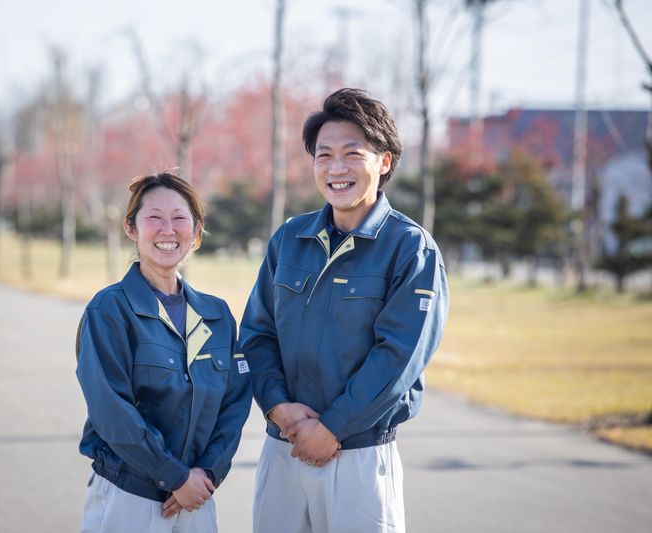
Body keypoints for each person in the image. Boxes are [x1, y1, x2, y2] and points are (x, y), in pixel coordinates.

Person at [239, 88, 449, 533]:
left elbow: (398, 358)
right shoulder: (289, 239)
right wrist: (277, 408)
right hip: (283, 447)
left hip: (358, 455)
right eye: (324, 155)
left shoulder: (411, 249)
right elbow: (257, 334)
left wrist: (332, 428)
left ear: (384, 161)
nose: (336, 168)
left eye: (353, 154)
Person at [75, 172, 252, 533]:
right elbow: (111, 411)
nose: (168, 229)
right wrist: (174, 476)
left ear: (196, 231)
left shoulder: (217, 314)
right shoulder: (109, 310)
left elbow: (234, 404)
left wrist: (208, 472)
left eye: (180, 218)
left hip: (197, 497)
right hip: (129, 498)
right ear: (131, 228)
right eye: (154, 217)